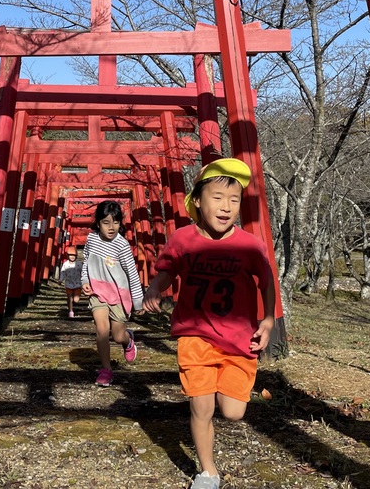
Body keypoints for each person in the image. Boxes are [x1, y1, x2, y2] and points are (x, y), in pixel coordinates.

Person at [143, 159, 276, 489]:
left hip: (238, 339)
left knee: (232, 412)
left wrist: (269, 319)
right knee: (201, 407)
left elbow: (267, 281)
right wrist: (154, 289)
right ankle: (207, 471)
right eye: (217, 198)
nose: (226, 207)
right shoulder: (183, 239)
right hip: (195, 336)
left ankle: (223, 385)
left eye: (233, 200)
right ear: (198, 201)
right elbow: (167, 271)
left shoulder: (248, 245)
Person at [81, 199, 144, 387]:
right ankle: (106, 370)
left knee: (117, 336)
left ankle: (128, 340)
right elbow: (86, 262)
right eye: (106, 222)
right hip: (97, 292)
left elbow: (132, 273)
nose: (111, 227)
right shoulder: (92, 239)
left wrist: (138, 301)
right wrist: (85, 281)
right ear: (98, 222)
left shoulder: (122, 245)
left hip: (118, 294)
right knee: (102, 330)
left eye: (115, 222)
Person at [59, 245, 84, 318]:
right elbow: (63, 272)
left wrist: (84, 280)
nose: (72, 257)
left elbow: (83, 272)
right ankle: (71, 311)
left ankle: (72, 304)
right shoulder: (65, 264)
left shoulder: (79, 264)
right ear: (68, 256)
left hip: (78, 284)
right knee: (70, 298)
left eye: (74, 255)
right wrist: (61, 280)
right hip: (68, 284)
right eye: (70, 255)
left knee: (76, 300)